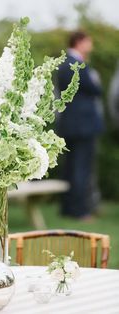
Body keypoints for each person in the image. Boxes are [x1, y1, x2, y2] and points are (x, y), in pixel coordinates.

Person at [56, 31, 104, 220]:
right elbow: (94, 89)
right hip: (84, 125)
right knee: (81, 169)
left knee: (70, 167)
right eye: (88, 41)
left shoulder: (62, 63)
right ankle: (80, 211)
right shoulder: (77, 64)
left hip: (69, 124)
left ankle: (67, 207)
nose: (90, 45)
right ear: (79, 42)